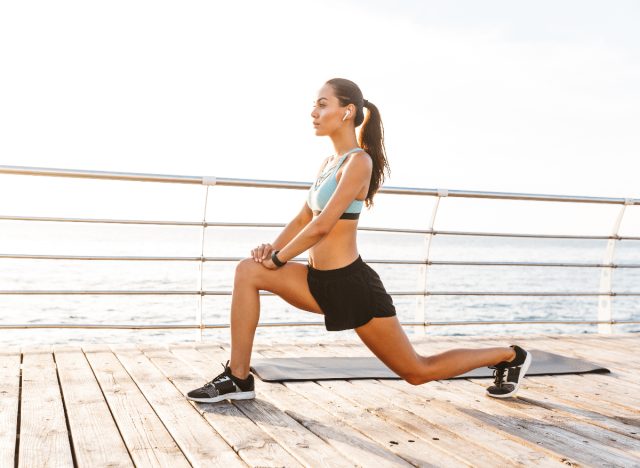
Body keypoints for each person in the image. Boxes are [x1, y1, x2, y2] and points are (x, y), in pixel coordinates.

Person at [187, 78, 531, 403]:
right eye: (314, 105)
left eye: (322, 105)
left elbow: (323, 225)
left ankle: (510, 355)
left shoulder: (358, 162)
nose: (314, 112)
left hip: (352, 287)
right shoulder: (329, 162)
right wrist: (270, 252)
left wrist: (279, 260)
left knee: (417, 370)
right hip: (315, 279)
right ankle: (238, 377)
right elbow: (303, 218)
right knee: (248, 271)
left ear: (347, 111)